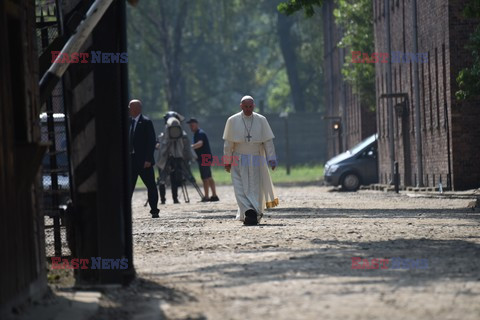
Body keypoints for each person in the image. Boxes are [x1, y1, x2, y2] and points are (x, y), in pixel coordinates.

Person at [222, 95, 278, 225]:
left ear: (254, 106)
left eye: (250, 106)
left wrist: (272, 158)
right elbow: (228, 144)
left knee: (255, 187)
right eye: (245, 106)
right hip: (238, 159)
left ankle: (254, 211)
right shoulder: (232, 120)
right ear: (241, 106)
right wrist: (227, 161)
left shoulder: (261, 120)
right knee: (239, 187)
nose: (248, 109)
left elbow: (268, 142)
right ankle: (249, 211)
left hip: (256, 158)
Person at [128, 99, 160, 218]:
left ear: (136, 108)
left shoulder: (146, 122)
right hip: (132, 160)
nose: (128, 109)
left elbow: (151, 142)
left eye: (130, 107)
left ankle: (154, 210)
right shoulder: (129, 122)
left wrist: (148, 159)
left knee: (151, 186)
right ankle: (126, 211)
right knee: (128, 187)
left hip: (144, 162)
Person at [156, 112, 197, 203]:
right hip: (175, 157)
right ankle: (173, 199)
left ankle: (165, 199)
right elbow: (186, 146)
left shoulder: (169, 131)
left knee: (166, 178)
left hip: (169, 157)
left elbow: (164, 145)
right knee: (169, 178)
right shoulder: (180, 132)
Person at [187, 118, 219, 202]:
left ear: (197, 124)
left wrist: (190, 147)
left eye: (192, 125)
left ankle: (207, 196)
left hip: (204, 158)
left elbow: (200, 144)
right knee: (209, 176)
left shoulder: (200, 133)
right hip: (205, 157)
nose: (191, 127)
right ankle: (214, 195)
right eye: (190, 125)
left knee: (205, 178)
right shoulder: (196, 134)